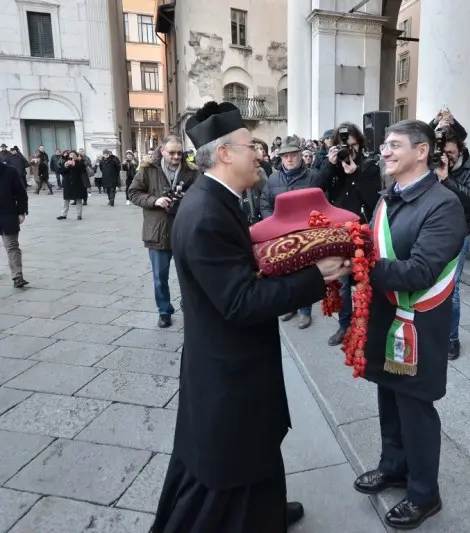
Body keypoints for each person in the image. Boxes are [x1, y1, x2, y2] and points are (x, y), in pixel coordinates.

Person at [151, 100, 349, 533]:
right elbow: (239, 301)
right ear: (224, 153)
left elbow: (243, 270)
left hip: (233, 357)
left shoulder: (219, 200)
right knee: (231, 459)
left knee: (255, 444)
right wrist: (315, 277)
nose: (259, 153)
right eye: (249, 146)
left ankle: (267, 510)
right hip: (228, 365)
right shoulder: (205, 213)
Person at [354, 119, 465, 530]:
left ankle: (424, 493)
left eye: (395, 145)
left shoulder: (442, 204)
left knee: (415, 407)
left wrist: (360, 266)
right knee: (389, 396)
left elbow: (420, 271)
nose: (385, 151)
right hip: (388, 317)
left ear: (422, 151)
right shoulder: (389, 197)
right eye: (384, 144)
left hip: (417, 324)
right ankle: (393, 466)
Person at [318, 122, 382, 347]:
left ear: (360, 145)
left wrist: (355, 174)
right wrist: (329, 164)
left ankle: (368, 328)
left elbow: (373, 201)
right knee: (342, 283)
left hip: (361, 231)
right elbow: (315, 189)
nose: (349, 150)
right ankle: (344, 327)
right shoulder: (331, 166)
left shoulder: (370, 167)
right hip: (338, 232)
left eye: (352, 145)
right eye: (343, 146)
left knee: (366, 283)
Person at [128, 135, 201, 328]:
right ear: (162, 151)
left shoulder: (192, 171)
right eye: (172, 153)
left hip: (185, 231)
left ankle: (189, 306)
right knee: (160, 278)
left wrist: (188, 199)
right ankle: (164, 311)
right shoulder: (147, 169)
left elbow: (202, 194)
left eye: (179, 153)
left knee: (189, 275)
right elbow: (133, 193)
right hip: (158, 232)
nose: (177, 156)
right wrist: (155, 201)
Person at [260, 136, 331, 330]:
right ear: (281, 158)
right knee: (285, 270)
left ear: (301, 156)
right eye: (286, 156)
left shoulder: (313, 177)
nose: (289, 159)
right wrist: (272, 222)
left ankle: (305, 311)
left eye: (293, 155)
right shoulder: (273, 178)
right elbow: (265, 202)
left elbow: (322, 203)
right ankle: (290, 306)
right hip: (281, 233)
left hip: (304, 233)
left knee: (305, 271)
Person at [435, 129, 470, 360]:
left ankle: (452, 339)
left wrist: (446, 178)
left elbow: (468, 198)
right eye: (443, 152)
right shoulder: (432, 164)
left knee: (452, 289)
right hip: (432, 231)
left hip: (457, 232)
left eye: (451, 153)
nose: (446, 157)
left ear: (460, 151)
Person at [0, 164, 29, 288]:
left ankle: (17, 276)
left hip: (8, 214)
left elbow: (21, 194)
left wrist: (21, 212)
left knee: (12, 246)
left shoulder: (10, 171)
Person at [56, 151, 87, 220]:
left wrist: (74, 165)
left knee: (78, 199)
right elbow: (59, 171)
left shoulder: (80, 163)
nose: (71, 155)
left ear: (76, 156)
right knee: (66, 199)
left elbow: (82, 170)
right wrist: (65, 166)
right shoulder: (66, 162)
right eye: (70, 154)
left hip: (77, 183)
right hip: (67, 183)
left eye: (73, 154)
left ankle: (79, 215)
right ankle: (63, 214)